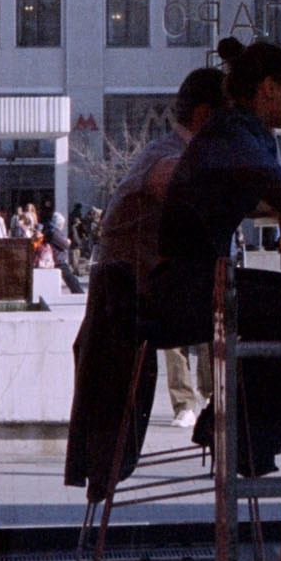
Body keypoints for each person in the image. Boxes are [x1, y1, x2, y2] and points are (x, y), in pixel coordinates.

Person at [150, 39, 281, 475]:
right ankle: (248, 437)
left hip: (188, 283)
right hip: (189, 290)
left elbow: (271, 192)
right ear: (267, 87)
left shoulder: (233, 133)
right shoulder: (233, 134)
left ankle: (236, 429)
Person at [63, 64, 230, 499]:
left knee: (261, 304)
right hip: (146, 308)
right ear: (206, 116)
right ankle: (238, 432)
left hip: (137, 308)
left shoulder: (165, 153)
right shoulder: (168, 158)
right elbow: (185, 188)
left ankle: (229, 425)